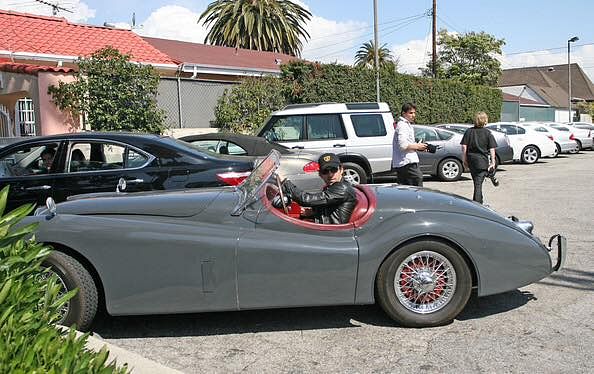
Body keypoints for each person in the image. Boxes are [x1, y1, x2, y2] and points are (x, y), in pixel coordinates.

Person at [274, 152, 358, 224]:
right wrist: (313, 212)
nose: (330, 175)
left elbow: (306, 199)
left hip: (330, 233)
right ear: (320, 174)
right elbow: (329, 206)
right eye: (325, 171)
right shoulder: (333, 186)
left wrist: (284, 182)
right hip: (324, 226)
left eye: (333, 170)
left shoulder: (342, 188)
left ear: (341, 169)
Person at [461, 111, 498, 204]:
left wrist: (464, 159)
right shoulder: (487, 133)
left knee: (477, 182)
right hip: (482, 161)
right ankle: (477, 205)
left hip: (472, 160)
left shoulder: (469, 132)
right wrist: (493, 162)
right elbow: (492, 148)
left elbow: (464, 147)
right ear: (485, 120)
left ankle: (479, 201)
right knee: (478, 185)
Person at [392, 102, 428, 186]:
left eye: (414, 113)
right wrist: (418, 146)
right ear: (404, 113)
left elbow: (407, 144)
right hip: (407, 162)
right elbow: (403, 145)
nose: (413, 115)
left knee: (404, 188)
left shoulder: (406, 125)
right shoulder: (403, 126)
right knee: (417, 180)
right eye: (410, 113)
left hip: (403, 163)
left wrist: (419, 147)